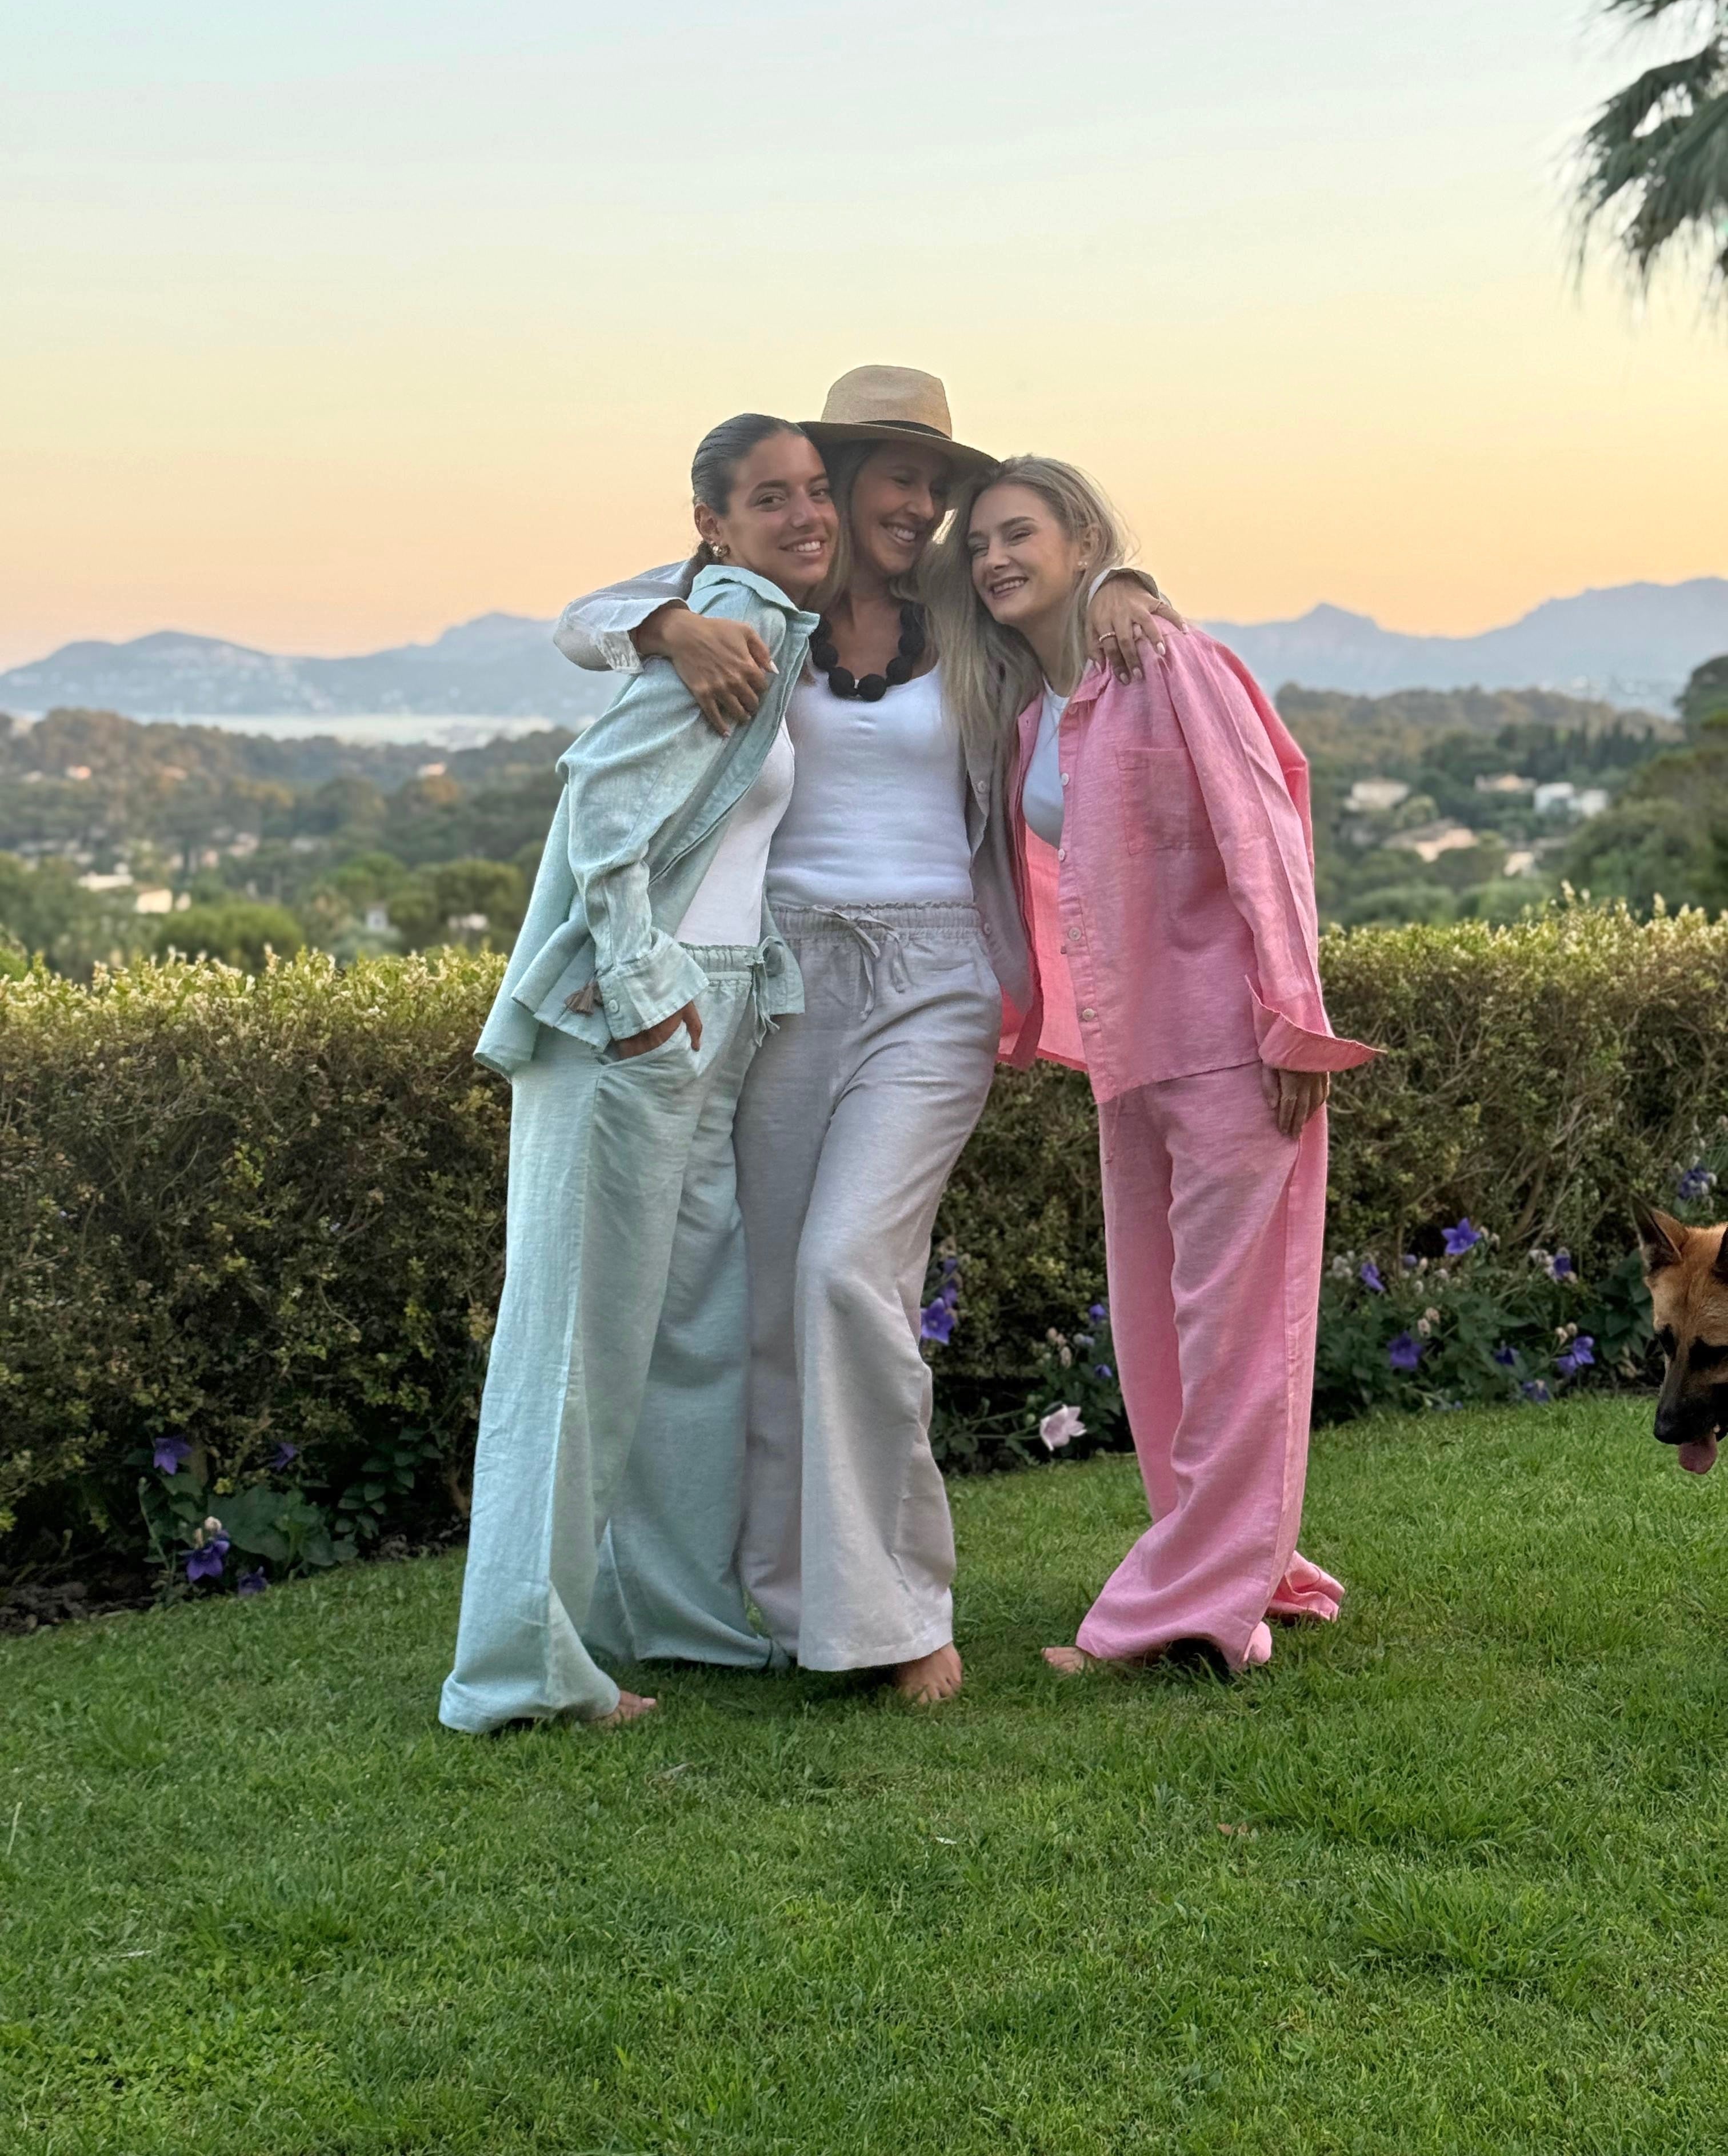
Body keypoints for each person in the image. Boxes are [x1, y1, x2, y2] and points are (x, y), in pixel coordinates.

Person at [554, 366, 1183, 1704]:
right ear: (839, 479)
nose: (926, 505)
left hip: (936, 979)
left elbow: (1074, 609)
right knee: (779, 1298)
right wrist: (671, 622)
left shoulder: (966, 616)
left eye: (939, 484)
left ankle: (897, 1610)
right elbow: (582, 619)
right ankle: (803, 1607)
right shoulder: (748, 607)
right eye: (903, 476)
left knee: (850, 1270)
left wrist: (1123, 588)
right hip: (785, 980)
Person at [930, 455, 1378, 1678]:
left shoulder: (1167, 660)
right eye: (979, 545)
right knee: (1162, 1343)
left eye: (1019, 533)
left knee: (1237, 1338)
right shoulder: (1038, 709)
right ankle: (1238, 1568)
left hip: (1233, 1046)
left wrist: (1293, 1017)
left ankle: (1182, 1619)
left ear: (1084, 539)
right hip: (1132, 1055)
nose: (994, 559)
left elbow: (1262, 827)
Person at [438, 415, 830, 1734]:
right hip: (634, 1022)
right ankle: (518, 1672)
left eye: (816, 489)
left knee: (687, 1332)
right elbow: (602, 794)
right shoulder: (731, 617)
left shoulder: (754, 619)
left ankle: (670, 1616)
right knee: (574, 1347)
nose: (806, 513)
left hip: (715, 1013)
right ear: (715, 523)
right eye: (771, 497)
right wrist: (650, 994)